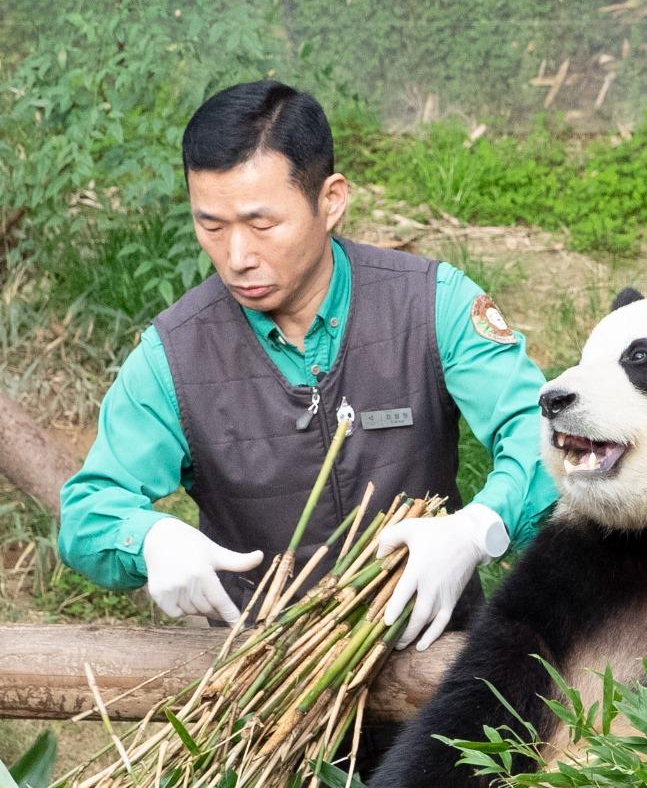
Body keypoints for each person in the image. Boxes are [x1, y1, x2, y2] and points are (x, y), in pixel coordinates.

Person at [57, 80, 556, 651]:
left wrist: (478, 528)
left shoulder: (431, 304)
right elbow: (88, 511)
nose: (237, 257)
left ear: (331, 199)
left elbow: (539, 433)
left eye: (262, 224)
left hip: (436, 666)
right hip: (263, 689)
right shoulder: (174, 355)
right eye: (212, 226)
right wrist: (148, 538)